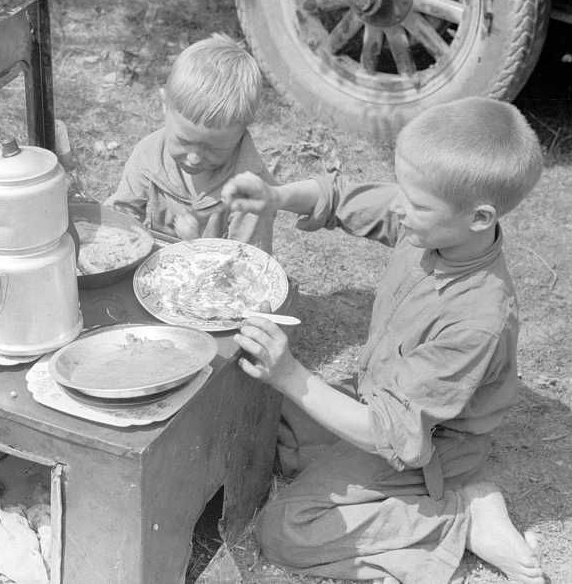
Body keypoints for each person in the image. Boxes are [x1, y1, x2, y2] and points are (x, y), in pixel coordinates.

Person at [220, 97, 546, 584]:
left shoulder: (476, 318)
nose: (400, 208)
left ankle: (460, 515)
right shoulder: (436, 224)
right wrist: (275, 196)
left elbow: (390, 435)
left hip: (431, 445)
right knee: (269, 416)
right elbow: (346, 197)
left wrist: (292, 375)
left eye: (414, 203)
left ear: (479, 217)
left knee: (287, 529)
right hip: (382, 397)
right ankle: (344, 471)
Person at [104, 33, 276, 252]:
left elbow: (248, 266)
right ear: (165, 105)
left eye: (214, 148)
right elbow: (120, 214)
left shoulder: (251, 192)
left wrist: (195, 245)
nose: (194, 157)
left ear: (243, 131)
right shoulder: (149, 156)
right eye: (184, 141)